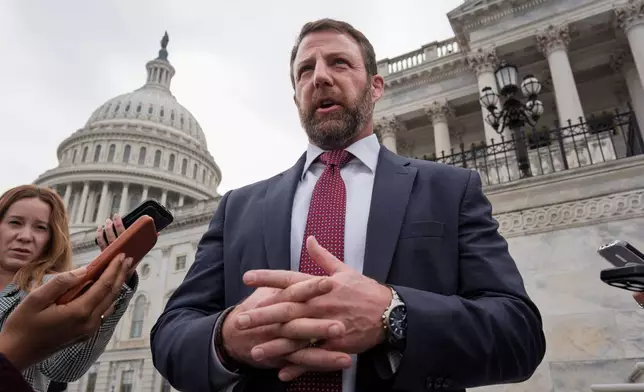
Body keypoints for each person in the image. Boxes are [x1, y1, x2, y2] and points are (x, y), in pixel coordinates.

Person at [149, 18, 546, 392]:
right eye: (305, 71)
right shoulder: (239, 208)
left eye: (339, 62)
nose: (319, 76)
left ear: (375, 87)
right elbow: (170, 337)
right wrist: (227, 337)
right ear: (295, 97)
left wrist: (394, 314)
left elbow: (519, 336)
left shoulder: (449, 190)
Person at [0, 185, 138, 392]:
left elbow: (64, 368)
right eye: (15, 223)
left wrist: (116, 276)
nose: (25, 236)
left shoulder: (49, 290)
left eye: (40, 228)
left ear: (51, 239)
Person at [0, 254, 133, 392]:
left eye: (40, 230)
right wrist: (15, 348)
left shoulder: (47, 287)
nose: (25, 236)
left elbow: (61, 369)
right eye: (14, 229)